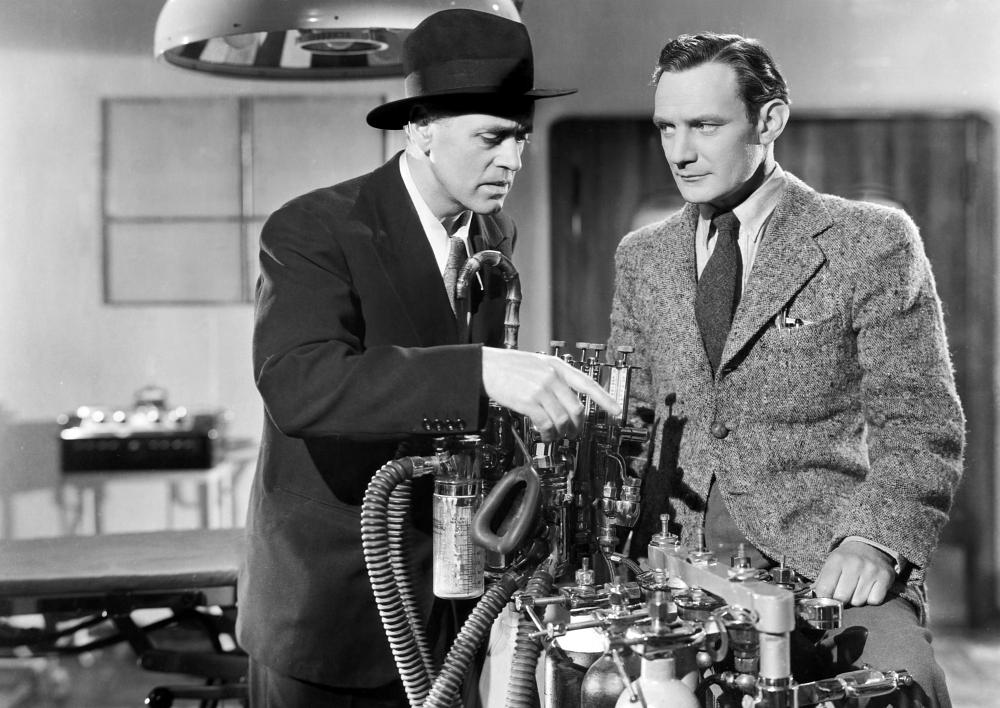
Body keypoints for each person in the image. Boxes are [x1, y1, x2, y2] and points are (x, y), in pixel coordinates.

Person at [237, 9, 619, 707]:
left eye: (522, 138)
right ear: (420, 129)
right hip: (334, 613)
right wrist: (480, 372)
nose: (513, 160)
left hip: (449, 606)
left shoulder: (493, 232)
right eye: (492, 138)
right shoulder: (316, 228)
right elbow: (299, 385)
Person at [609, 32, 964, 707]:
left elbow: (921, 423)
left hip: (826, 567)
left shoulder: (870, 241)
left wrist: (875, 541)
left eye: (705, 126)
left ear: (769, 120)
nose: (679, 152)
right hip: (666, 567)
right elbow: (634, 420)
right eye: (666, 128)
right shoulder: (642, 257)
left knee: (905, 689)